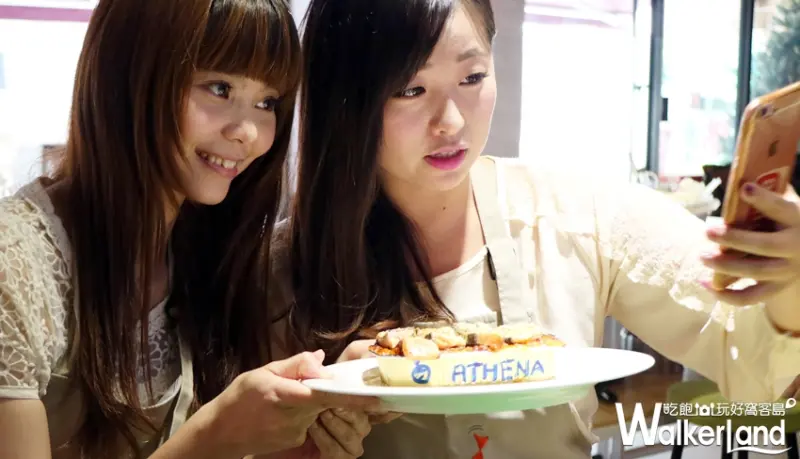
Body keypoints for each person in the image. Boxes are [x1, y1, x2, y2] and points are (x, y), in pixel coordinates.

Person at [264, 0, 800, 457]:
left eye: (472, 77)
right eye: (410, 89)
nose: (452, 121)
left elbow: (749, 356)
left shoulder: (575, 213)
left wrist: (786, 281)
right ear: (345, 98)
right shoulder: (279, 269)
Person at [0, 1, 378, 458]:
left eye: (267, 102)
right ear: (129, 74)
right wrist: (215, 434)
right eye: (220, 88)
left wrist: (314, 416)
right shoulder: (14, 261)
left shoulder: (213, 251)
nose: (249, 133)